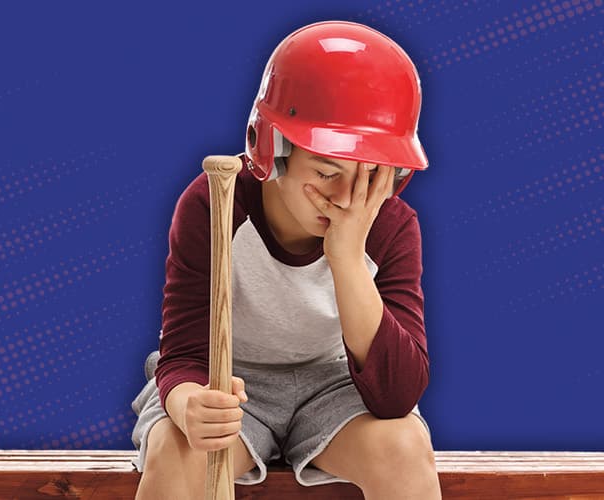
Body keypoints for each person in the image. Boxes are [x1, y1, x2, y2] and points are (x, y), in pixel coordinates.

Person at [129, 20, 440, 499]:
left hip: (336, 385)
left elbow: (397, 394)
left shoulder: (391, 224)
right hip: (225, 381)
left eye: (370, 175)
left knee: (405, 445)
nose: (345, 198)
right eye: (327, 171)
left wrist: (348, 257)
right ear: (272, 149)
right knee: (176, 449)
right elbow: (186, 354)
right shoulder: (215, 204)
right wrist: (191, 404)